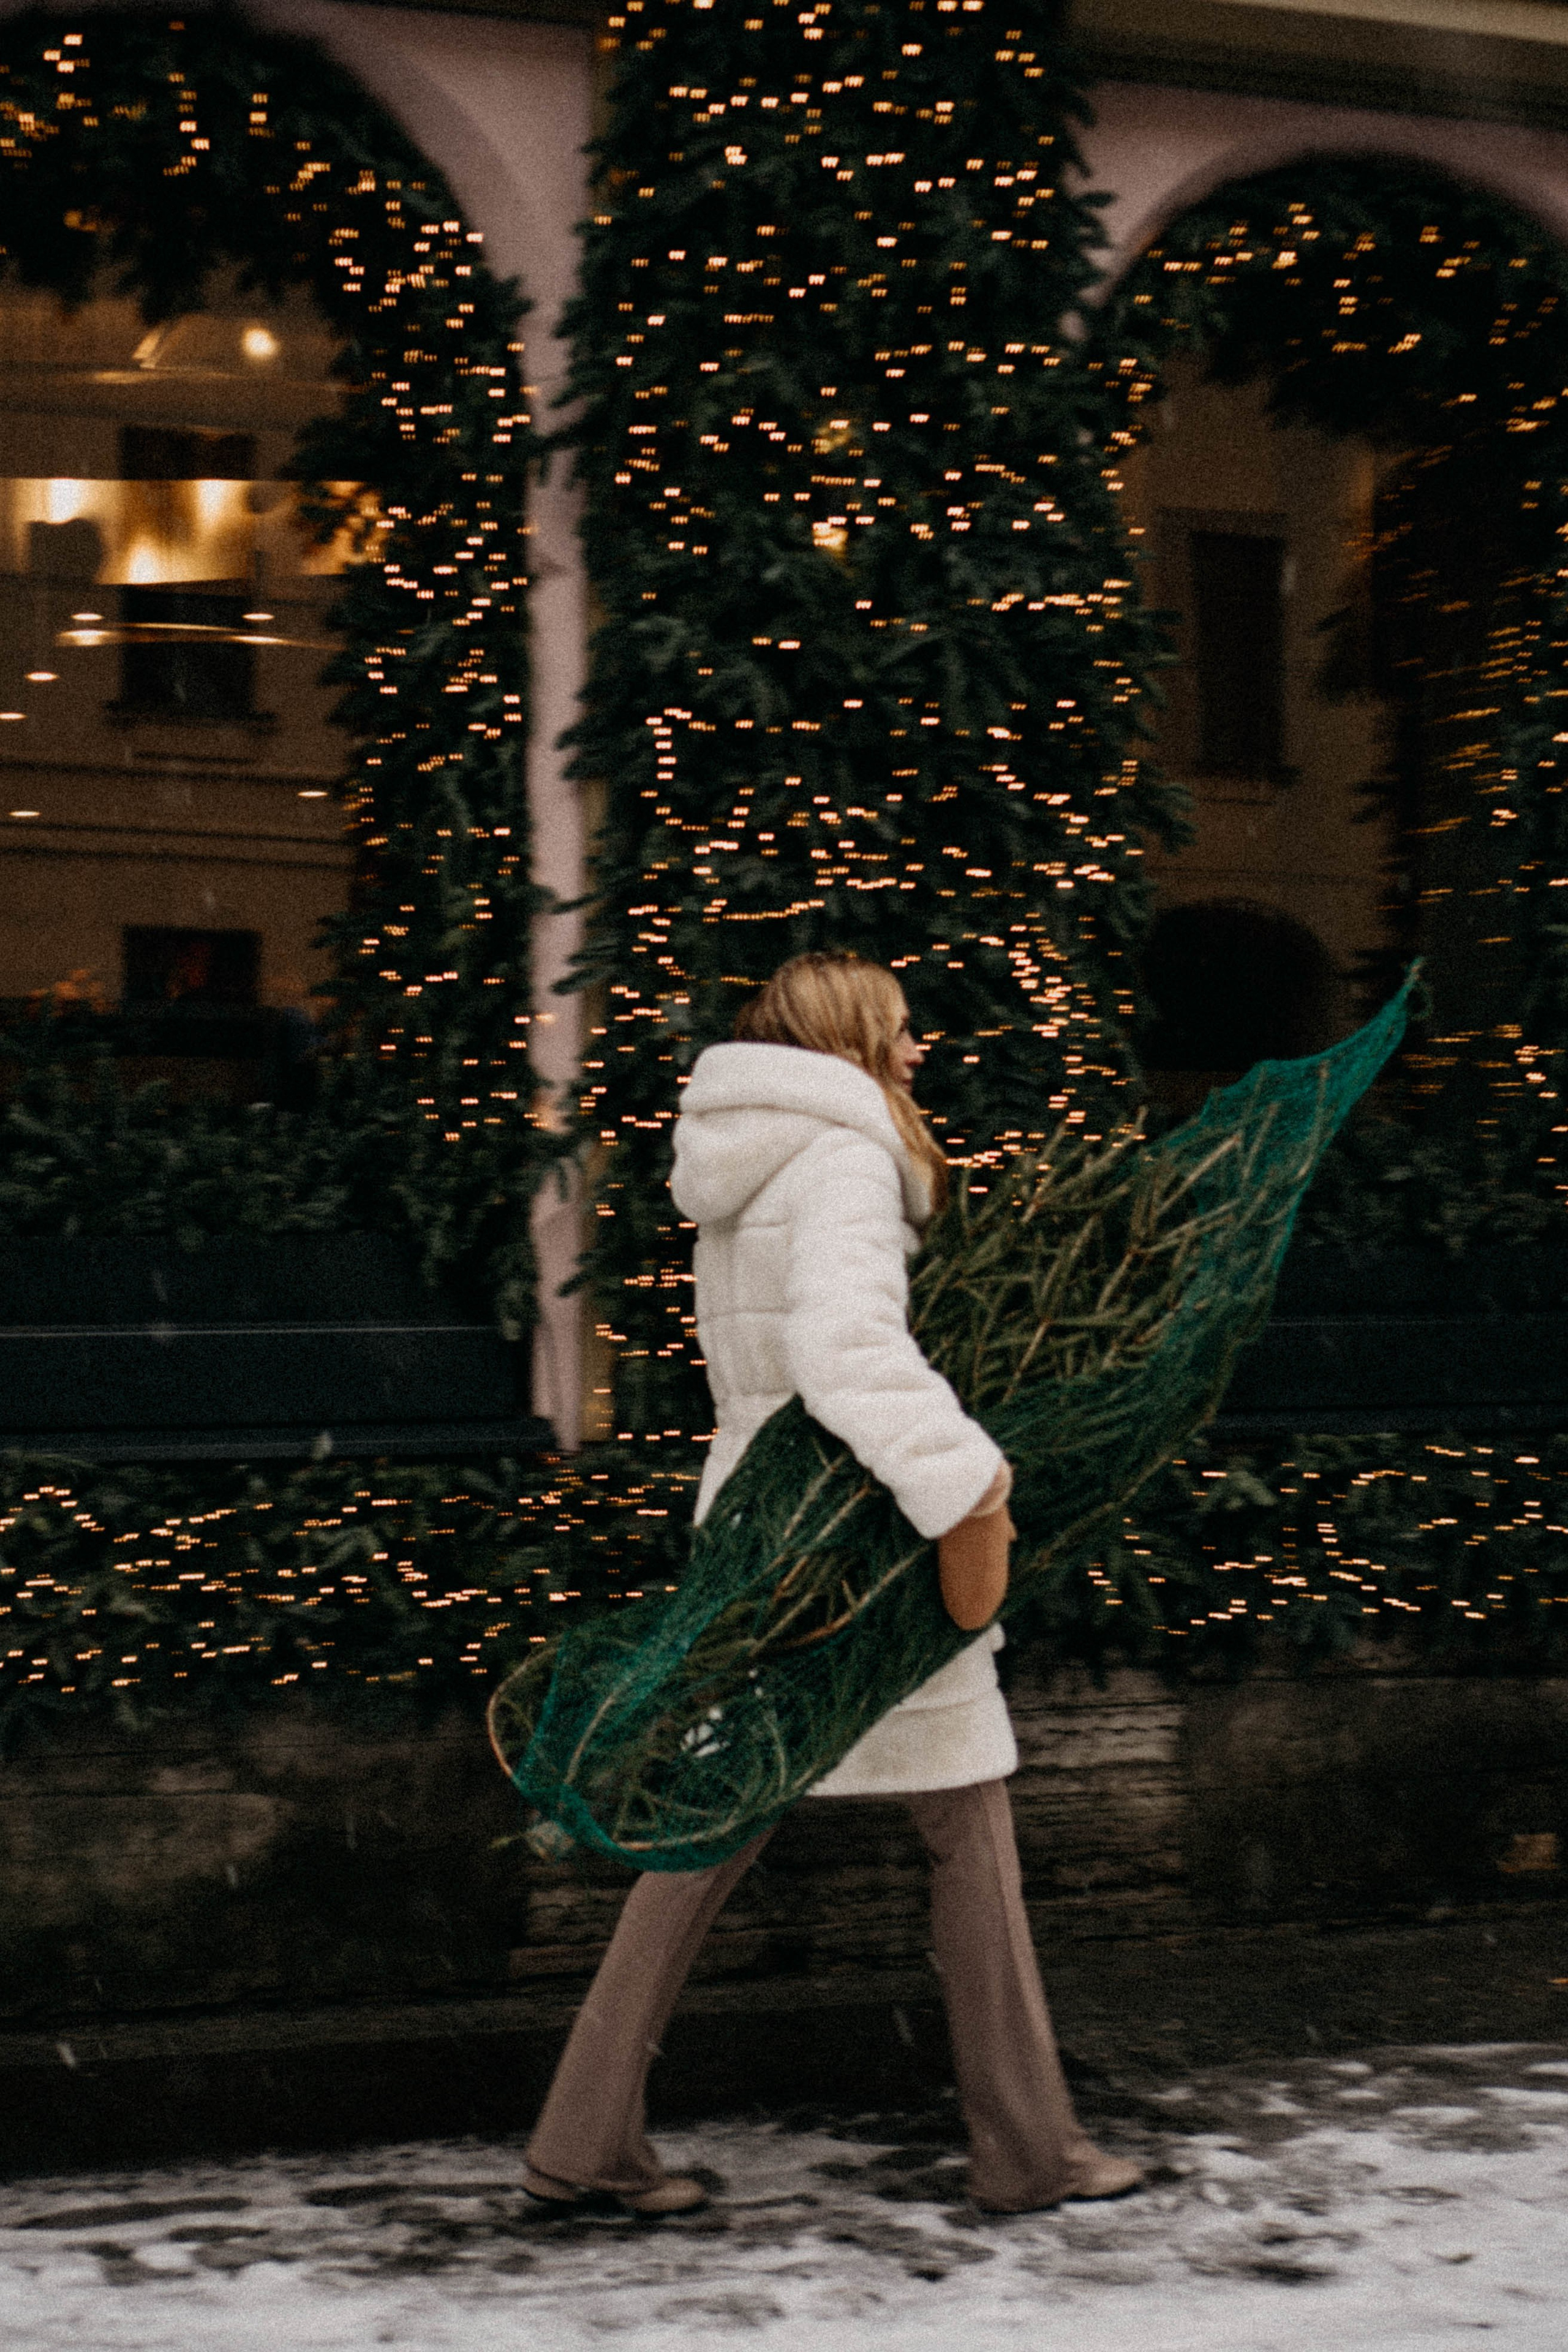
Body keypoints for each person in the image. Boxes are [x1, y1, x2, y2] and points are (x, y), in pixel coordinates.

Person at [522, 951, 1145, 2217]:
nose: (917, 1053)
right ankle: (1027, 2149)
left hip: (769, 1524)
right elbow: (844, 1348)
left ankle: (583, 2139)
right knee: (964, 1829)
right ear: (851, 1039)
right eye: (901, 1031)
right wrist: (964, 1482)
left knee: (714, 1827)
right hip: (859, 1536)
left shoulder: (747, 1158)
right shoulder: (846, 1155)